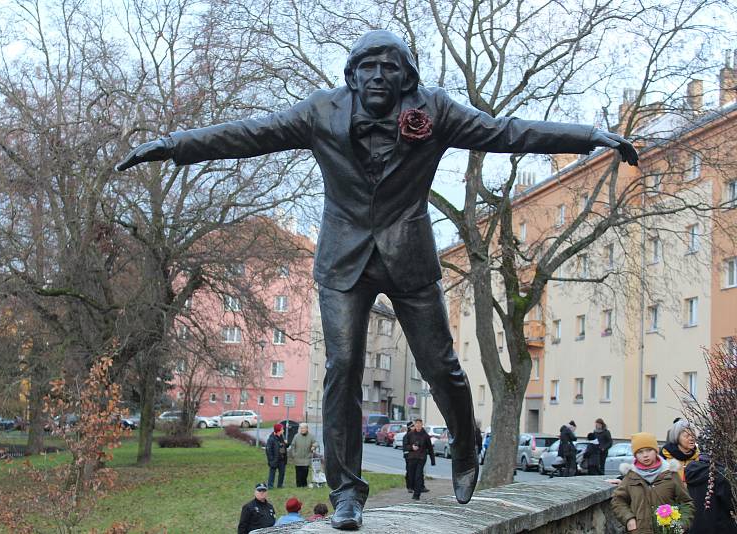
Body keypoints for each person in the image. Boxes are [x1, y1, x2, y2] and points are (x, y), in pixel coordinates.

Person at [117, 29, 638, 529]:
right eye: (367, 67)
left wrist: (590, 137)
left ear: (405, 76)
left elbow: (506, 132)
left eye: (389, 67)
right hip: (343, 259)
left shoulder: (433, 111)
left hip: (407, 255)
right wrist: (172, 145)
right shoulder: (322, 111)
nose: (377, 76)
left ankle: (462, 444)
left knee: (441, 367)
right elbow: (250, 134)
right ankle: (346, 492)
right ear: (352, 74)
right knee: (342, 366)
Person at [611, 433, 694, 534]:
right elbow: (618, 500)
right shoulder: (631, 476)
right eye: (640, 452)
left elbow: (686, 502)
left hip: (667, 531)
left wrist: (681, 524)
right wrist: (628, 519)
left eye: (649, 450)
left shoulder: (670, 474)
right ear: (635, 455)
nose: (645, 455)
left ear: (656, 451)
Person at [686, 452, 737, 533]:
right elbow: (731, 504)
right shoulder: (721, 473)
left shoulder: (691, 470)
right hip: (718, 527)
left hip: (695, 526)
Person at [661, 419, 700, 484]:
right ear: (677, 437)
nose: (691, 438)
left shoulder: (699, 458)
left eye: (693, 435)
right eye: (686, 436)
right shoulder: (664, 458)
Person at [406, 418, 436, 500]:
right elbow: (406, 446)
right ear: (415, 425)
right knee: (411, 476)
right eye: (417, 424)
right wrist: (411, 447)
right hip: (412, 457)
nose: (418, 426)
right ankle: (412, 488)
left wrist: (433, 460)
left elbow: (430, 448)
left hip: (421, 458)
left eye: (420, 424)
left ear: (422, 425)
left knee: (418, 476)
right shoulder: (410, 434)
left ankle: (417, 495)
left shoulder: (425, 435)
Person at [289, 423, 317, 488]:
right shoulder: (296, 436)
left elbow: (316, 443)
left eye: (303, 428)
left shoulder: (311, 436)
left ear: (307, 429)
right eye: (301, 428)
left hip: (307, 458)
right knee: (298, 473)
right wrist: (294, 454)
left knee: (305, 472)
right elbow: (293, 445)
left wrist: (314, 446)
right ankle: (298, 485)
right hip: (298, 458)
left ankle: (304, 485)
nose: (302, 430)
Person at [266, 423, 287, 489]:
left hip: (282, 459)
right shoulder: (271, 439)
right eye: (282, 429)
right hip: (274, 459)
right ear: (278, 430)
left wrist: (286, 444)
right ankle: (270, 486)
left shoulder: (281, 437)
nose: (283, 430)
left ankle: (280, 485)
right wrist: (271, 460)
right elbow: (268, 451)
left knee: (282, 473)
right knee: (272, 473)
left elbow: (283, 446)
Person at [402, 421, 415, 492]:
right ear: (409, 428)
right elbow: (405, 448)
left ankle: (413, 486)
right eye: (412, 426)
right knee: (409, 471)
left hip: (415, 456)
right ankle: (409, 487)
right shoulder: (406, 436)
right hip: (408, 457)